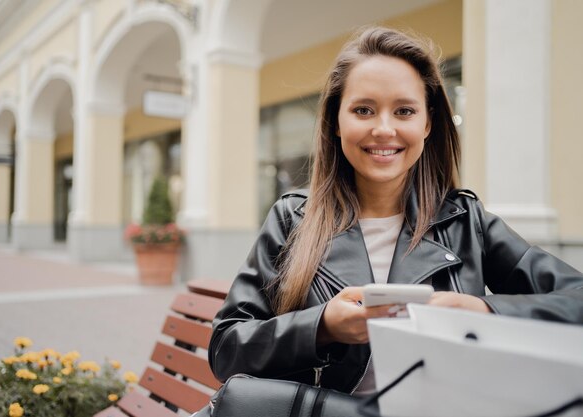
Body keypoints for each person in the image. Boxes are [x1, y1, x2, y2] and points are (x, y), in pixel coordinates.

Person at [207, 26, 583, 397]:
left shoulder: (466, 221)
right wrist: (321, 327)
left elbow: (575, 299)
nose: (384, 129)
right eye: (364, 110)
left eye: (404, 110)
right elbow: (226, 349)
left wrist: (480, 309)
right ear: (337, 121)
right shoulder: (293, 218)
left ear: (427, 123)